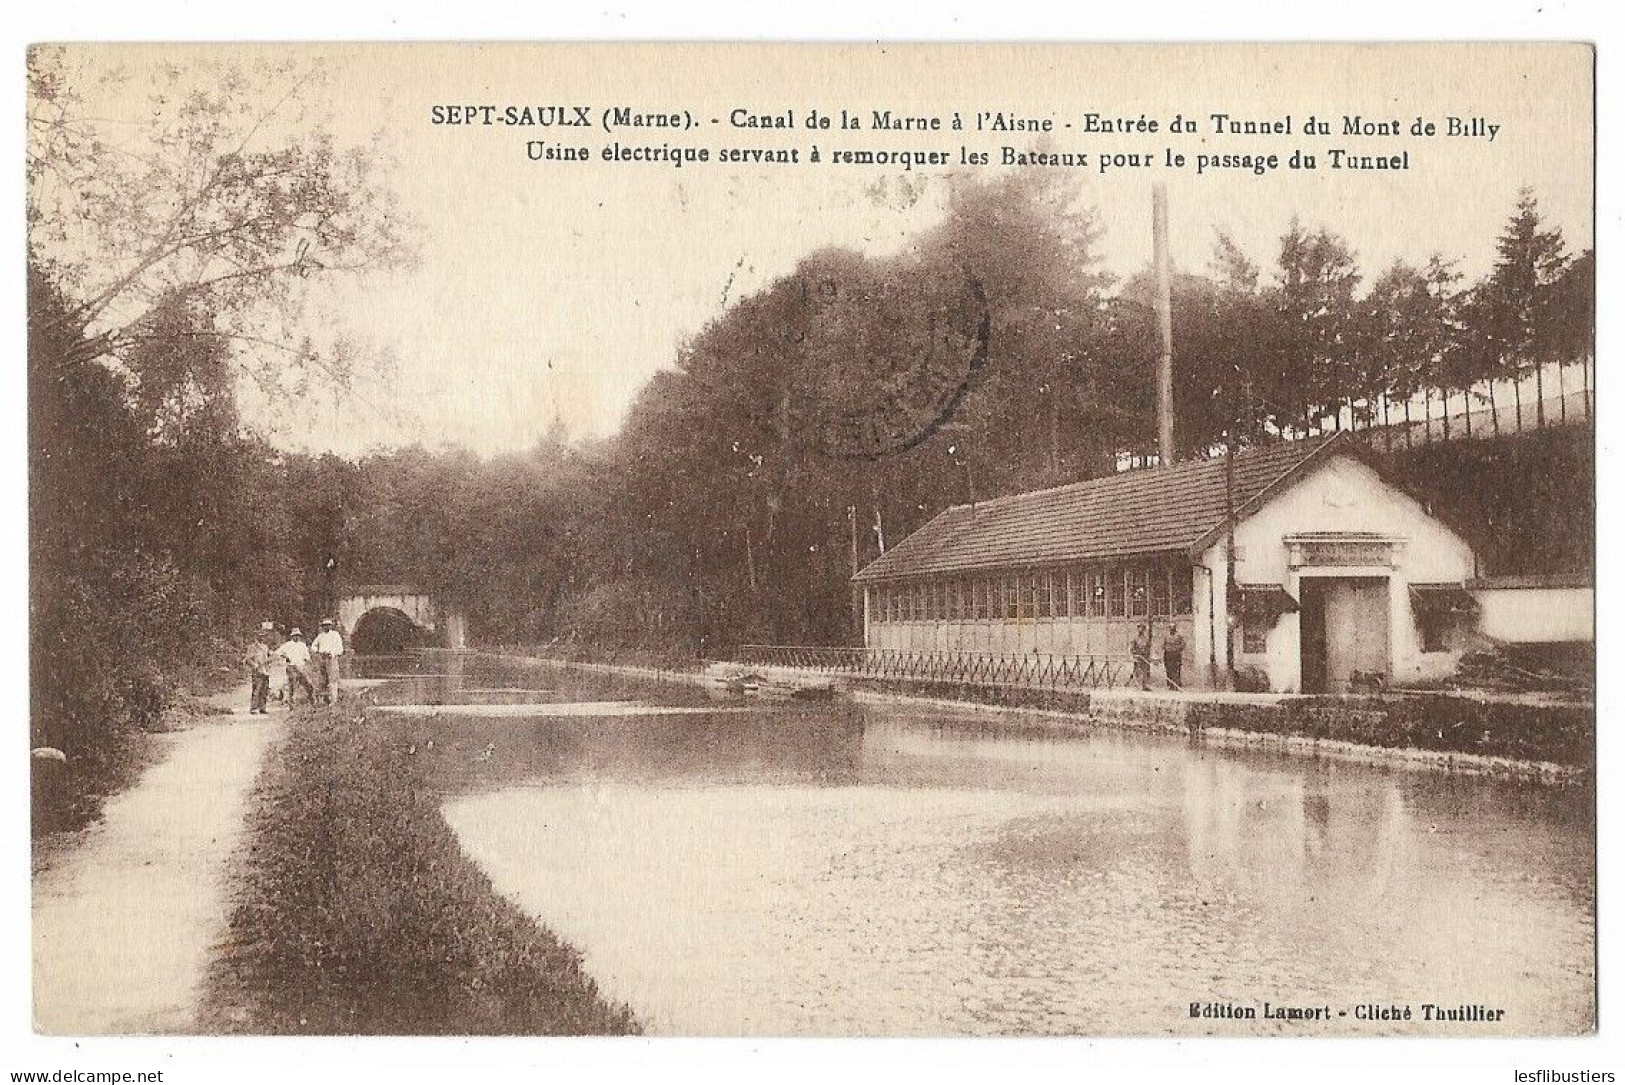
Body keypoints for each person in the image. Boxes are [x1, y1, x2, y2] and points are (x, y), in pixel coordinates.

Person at [278, 627, 316, 707]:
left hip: (301, 667)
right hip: (291, 667)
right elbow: (279, 652)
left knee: (308, 684)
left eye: (298, 635)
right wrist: (285, 656)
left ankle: (312, 701)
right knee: (292, 685)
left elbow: (307, 657)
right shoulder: (288, 644)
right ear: (292, 636)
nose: (296, 637)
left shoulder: (302, 645)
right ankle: (291, 705)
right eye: (295, 635)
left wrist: (308, 665)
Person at [242, 624, 275, 714]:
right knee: (256, 689)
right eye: (260, 636)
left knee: (265, 689)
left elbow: (268, 657)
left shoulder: (265, 647)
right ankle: (253, 708)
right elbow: (247, 659)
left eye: (263, 636)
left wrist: (270, 660)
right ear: (256, 637)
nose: (262, 638)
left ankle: (262, 708)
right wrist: (254, 665)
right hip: (257, 670)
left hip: (265, 670)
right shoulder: (252, 647)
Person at [312, 618, 346, 704]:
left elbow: (340, 648)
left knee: (333, 679)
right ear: (322, 627)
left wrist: (333, 654)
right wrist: (318, 651)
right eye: (324, 625)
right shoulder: (321, 636)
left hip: (332, 658)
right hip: (323, 658)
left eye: (328, 625)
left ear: (331, 626)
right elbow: (313, 646)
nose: (326, 627)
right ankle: (324, 699)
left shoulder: (335, 635)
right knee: (323, 679)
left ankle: (333, 700)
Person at [1163, 623, 1187, 690]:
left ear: (1175, 628)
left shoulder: (1179, 636)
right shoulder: (1166, 636)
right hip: (1168, 654)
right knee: (1169, 669)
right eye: (1170, 628)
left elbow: (1184, 644)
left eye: (1173, 628)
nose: (1172, 629)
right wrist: (1166, 648)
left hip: (1176, 654)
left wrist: (1178, 648)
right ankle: (1170, 684)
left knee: (1176, 669)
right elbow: (1163, 645)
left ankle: (1177, 683)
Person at [1131, 622, 1153, 692]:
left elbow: (1148, 648)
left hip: (1145, 657)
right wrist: (1134, 655)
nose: (1140, 630)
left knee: (1145, 671)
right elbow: (1132, 648)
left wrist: (1147, 655)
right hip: (1138, 657)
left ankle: (1144, 686)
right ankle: (1137, 685)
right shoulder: (1135, 639)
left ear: (1144, 630)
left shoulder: (1146, 639)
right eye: (1139, 628)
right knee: (1137, 671)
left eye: (1142, 629)